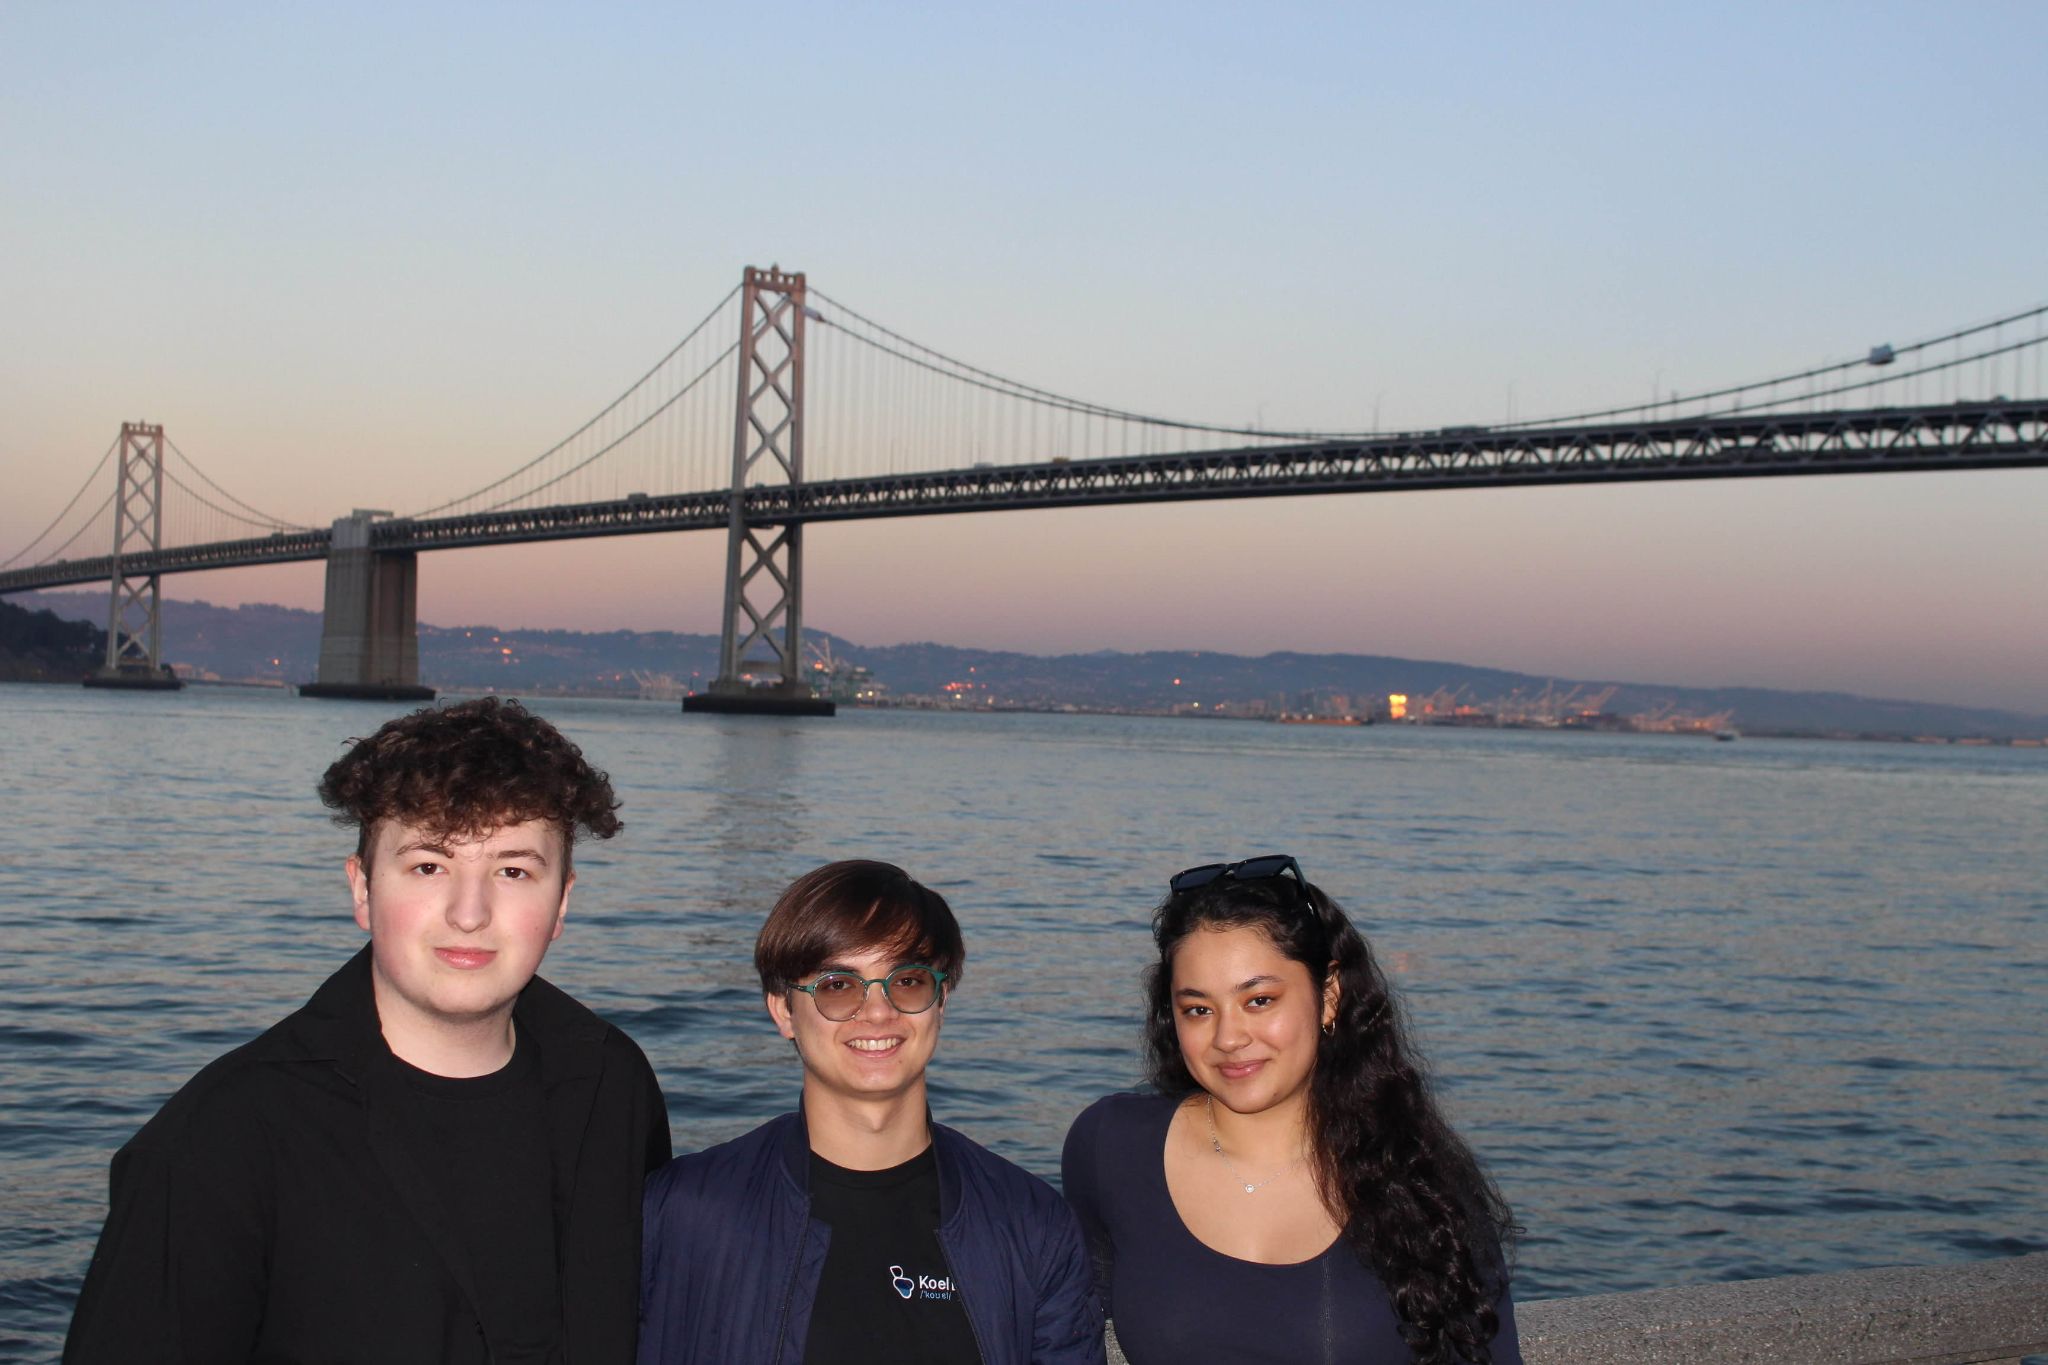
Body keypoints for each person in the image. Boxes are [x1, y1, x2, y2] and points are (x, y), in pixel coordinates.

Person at [64, 696, 673, 1365]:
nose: (470, 913)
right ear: (361, 890)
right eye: (428, 865)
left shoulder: (613, 1087)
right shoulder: (219, 1144)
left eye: (513, 870)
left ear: (561, 902)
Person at [638, 859, 1104, 1365]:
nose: (878, 1011)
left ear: (940, 1000)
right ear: (783, 1011)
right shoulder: (682, 1211)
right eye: (839, 985)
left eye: (907, 981)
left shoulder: (1031, 1226)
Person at [1062, 855, 1522, 1365]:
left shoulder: (1419, 1182)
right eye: (1198, 1009)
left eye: (1259, 1000)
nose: (1228, 1037)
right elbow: (1068, 1335)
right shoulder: (1112, 1147)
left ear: (1328, 996)